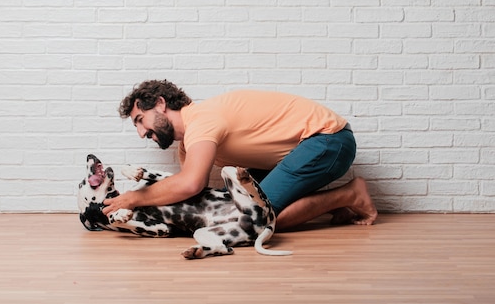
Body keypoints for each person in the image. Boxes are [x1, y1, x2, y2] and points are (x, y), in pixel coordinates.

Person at [103, 80, 377, 231]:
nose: (141, 132)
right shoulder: (189, 143)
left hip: (328, 141)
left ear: (160, 104)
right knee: (233, 206)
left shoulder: (201, 120)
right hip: (305, 151)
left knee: (257, 217)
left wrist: (134, 197)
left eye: (141, 120)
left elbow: (190, 183)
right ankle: (333, 205)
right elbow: (190, 195)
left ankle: (350, 194)